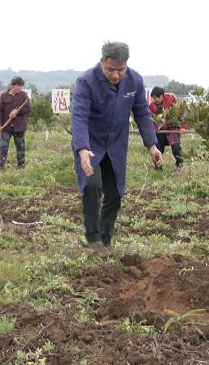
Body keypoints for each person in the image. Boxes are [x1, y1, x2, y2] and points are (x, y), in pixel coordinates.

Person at [71, 41, 163, 256]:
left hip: (116, 145)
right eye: (111, 70)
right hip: (91, 143)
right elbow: (79, 115)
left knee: (115, 193)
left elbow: (141, 113)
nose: (115, 75)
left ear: (126, 65)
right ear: (102, 61)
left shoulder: (135, 80)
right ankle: (93, 237)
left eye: (120, 70)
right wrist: (82, 148)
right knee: (92, 185)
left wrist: (152, 145)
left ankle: (105, 239)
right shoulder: (86, 81)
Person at [0, 76, 32, 169]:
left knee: (20, 147)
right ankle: (1, 166)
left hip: (19, 127)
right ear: (12, 85)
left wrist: (17, 111)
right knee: (3, 147)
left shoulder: (24, 95)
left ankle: (21, 166)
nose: (20, 88)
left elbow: (28, 109)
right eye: (18, 86)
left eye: (21, 86)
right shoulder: (4, 96)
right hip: (6, 126)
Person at [149, 86, 185, 169]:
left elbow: (181, 113)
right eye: (152, 98)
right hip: (159, 130)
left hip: (172, 128)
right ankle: (158, 168)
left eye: (155, 98)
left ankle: (179, 164)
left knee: (176, 149)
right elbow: (148, 118)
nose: (154, 100)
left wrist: (183, 127)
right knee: (158, 149)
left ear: (161, 96)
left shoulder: (172, 101)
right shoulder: (152, 106)